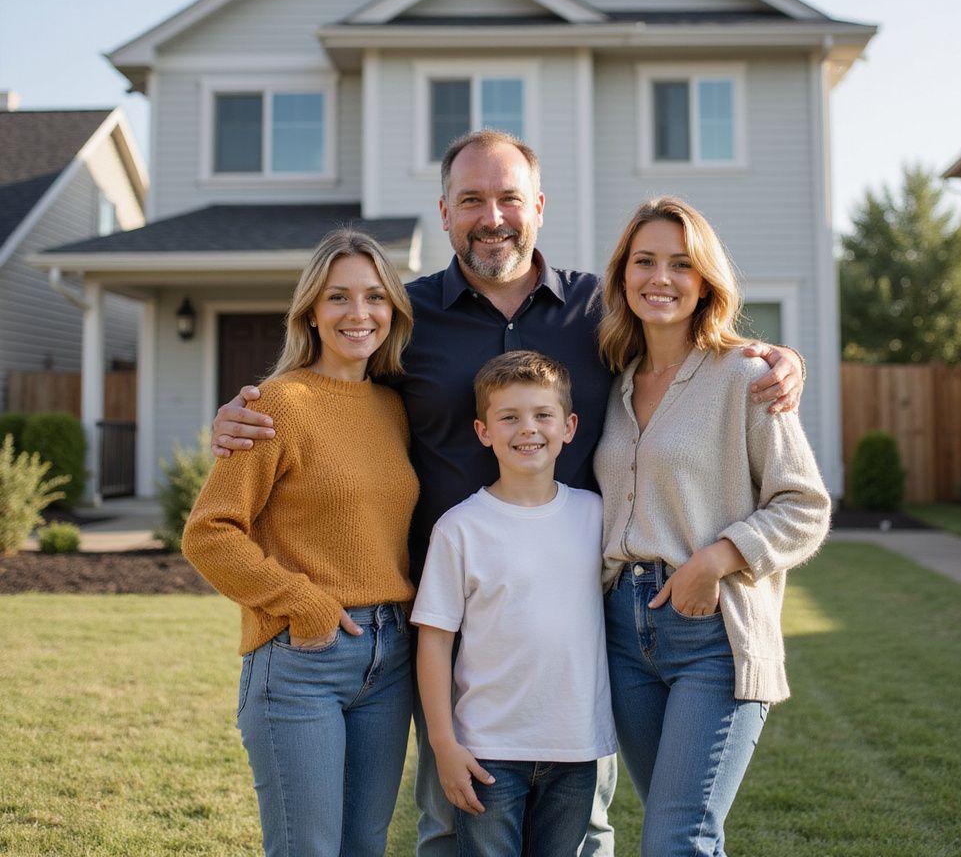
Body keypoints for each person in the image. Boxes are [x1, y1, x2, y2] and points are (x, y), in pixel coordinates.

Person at [210, 129, 807, 857]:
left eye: (508, 199)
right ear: (444, 212)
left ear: (539, 208)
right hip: (448, 623)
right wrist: (245, 415)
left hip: (581, 630)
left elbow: (682, 340)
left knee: (583, 831)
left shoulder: (602, 312)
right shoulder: (406, 318)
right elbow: (336, 389)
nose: (492, 216)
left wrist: (776, 358)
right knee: (452, 827)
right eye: (472, 200)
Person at [594, 197, 831, 857]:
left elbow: (804, 504)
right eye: (644, 261)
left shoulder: (746, 376)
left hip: (714, 636)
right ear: (622, 275)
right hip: (621, 637)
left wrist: (717, 559)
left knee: (677, 836)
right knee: (683, 830)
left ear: (705, 281)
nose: (660, 278)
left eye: (680, 263)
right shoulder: (610, 380)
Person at [182, 229, 419, 857]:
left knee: (365, 844)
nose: (358, 314)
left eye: (374, 297)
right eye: (338, 297)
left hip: (390, 659)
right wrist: (301, 602)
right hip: (302, 659)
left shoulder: (394, 408)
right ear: (311, 311)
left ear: (392, 309)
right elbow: (209, 531)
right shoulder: (278, 405)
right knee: (307, 847)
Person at [413, 351, 616, 856]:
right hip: (486, 751)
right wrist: (444, 743)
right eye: (509, 417)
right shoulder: (460, 528)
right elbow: (435, 642)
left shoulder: (595, 515)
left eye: (542, 415)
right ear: (484, 431)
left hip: (575, 747)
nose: (528, 429)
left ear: (569, 427)